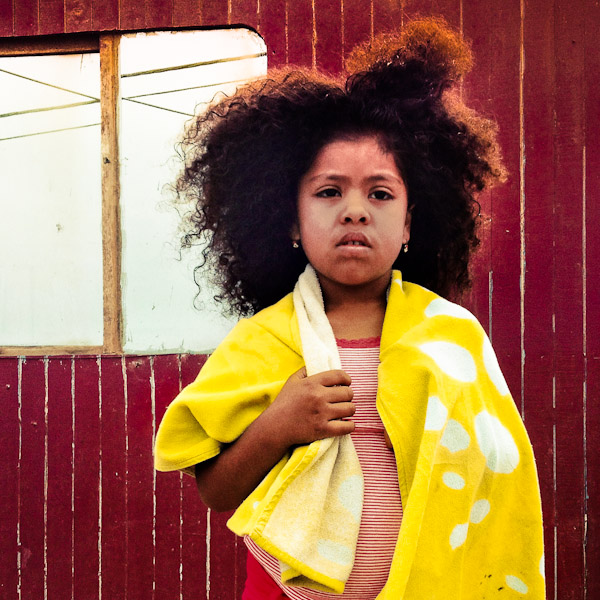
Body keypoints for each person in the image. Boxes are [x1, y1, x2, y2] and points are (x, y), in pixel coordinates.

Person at [154, 18, 545, 600]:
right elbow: (217, 491)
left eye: (380, 194)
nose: (355, 211)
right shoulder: (263, 342)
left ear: (412, 223)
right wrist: (278, 423)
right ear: (289, 221)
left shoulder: (454, 340)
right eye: (329, 191)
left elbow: (495, 481)